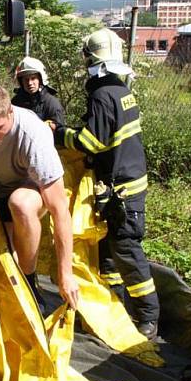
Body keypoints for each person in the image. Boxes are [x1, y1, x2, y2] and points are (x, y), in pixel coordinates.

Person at [53, 28, 159, 339]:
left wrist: (60, 134)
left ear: (90, 59)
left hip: (122, 187)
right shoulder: (122, 90)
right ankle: (113, 310)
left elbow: (91, 141)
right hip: (122, 181)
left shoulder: (102, 94)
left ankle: (147, 317)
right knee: (108, 252)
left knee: (126, 249)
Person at [0, 84, 79, 313]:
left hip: (32, 187)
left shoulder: (33, 135)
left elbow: (60, 211)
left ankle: (30, 284)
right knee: (3, 262)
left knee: (20, 203)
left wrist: (66, 274)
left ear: (10, 112)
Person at [11, 56, 65, 131]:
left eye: (33, 78)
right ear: (21, 82)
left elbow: (59, 130)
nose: (30, 83)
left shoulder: (51, 103)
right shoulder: (15, 102)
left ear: (40, 80)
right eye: (26, 79)